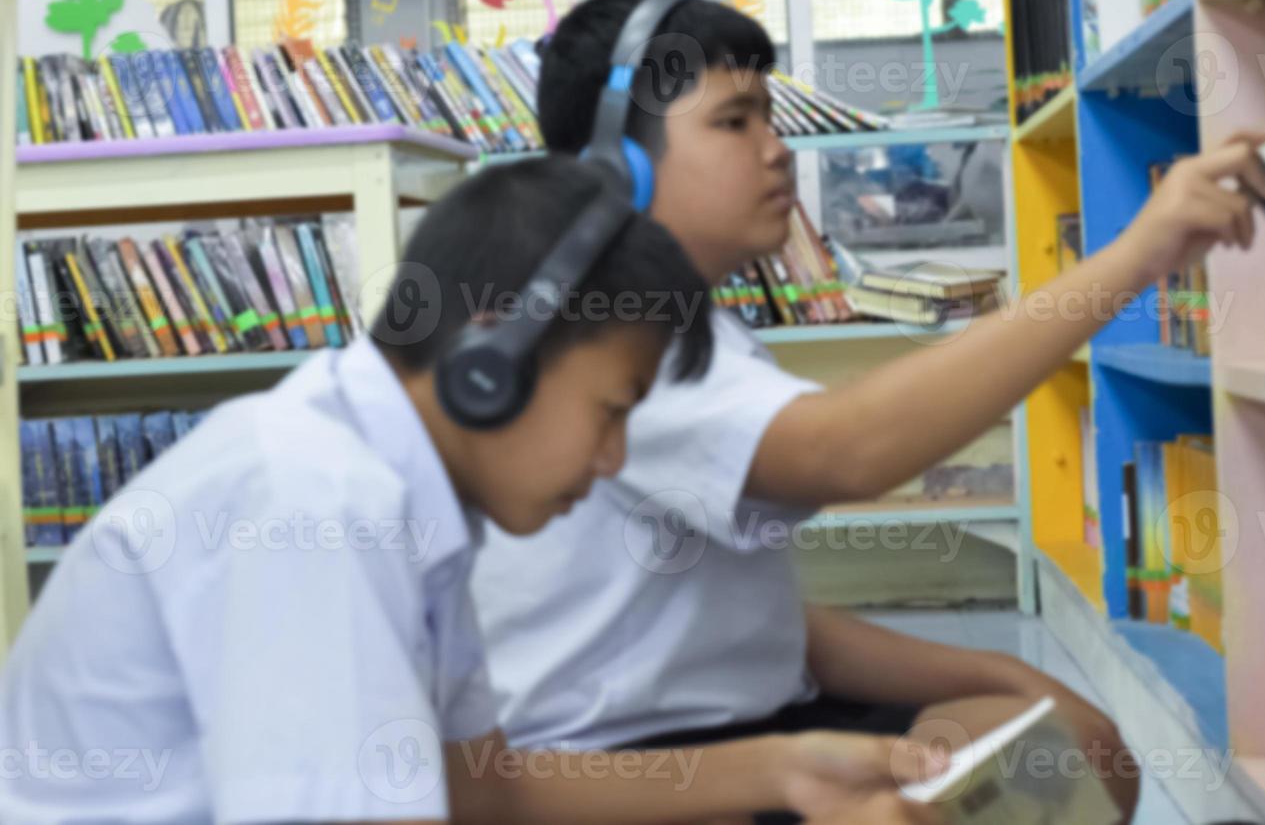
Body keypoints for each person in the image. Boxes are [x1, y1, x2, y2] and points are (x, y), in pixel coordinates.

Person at [471, 0, 1265, 822]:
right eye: (734, 122)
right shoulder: (605, 326)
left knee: (1072, 747)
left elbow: (753, 618)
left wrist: (995, 674)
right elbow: (848, 448)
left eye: (770, 120)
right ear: (617, 166)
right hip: (622, 775)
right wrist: (1139, 252)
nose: (776, 151)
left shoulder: (689, 321)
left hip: (746, 722)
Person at [0, 157, 944, 824]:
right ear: (493, 355)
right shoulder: (312, 500)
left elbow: (481, 787)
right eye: (610, 411)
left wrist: (783, 770)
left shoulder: (405, 486)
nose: (614, 459)